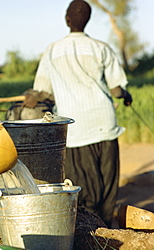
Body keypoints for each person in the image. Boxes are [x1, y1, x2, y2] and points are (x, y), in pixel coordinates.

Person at [23, 0, 133, 227]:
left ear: (67, 19)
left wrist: (32, 97)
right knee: (108, 190)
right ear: (88, 20)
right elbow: (115, 89)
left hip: (76, 131)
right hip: (105, 126)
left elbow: (44, 93)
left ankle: (90, 236)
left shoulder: (52, 51)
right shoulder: (101, 48)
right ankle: (107, 234)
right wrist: (126, 95)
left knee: (84, 194)